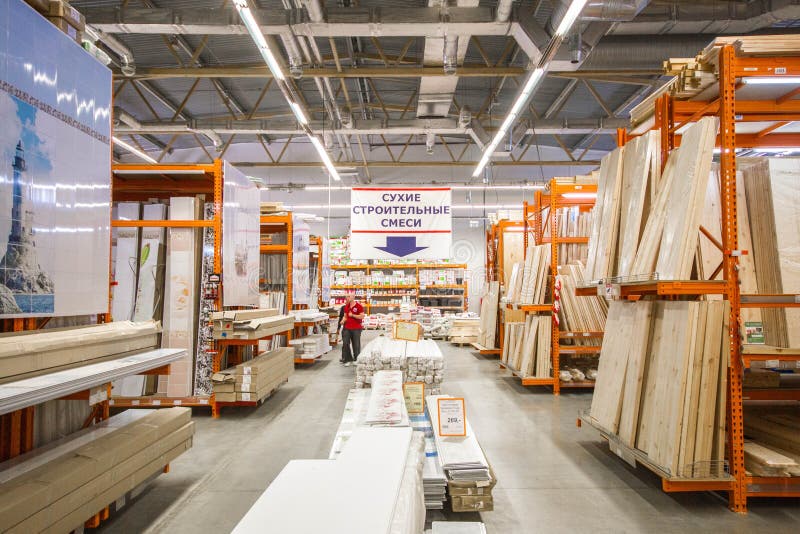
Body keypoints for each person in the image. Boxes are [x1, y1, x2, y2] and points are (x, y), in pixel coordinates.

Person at [341, 292, 365, 367]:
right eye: (346, 296)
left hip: (356, 329)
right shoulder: (346, 306)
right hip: (347, 328)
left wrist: (353, 315)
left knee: (356, 344)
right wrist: (343, 320)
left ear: (353, 297)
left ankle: (356, 359)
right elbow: (345, 316)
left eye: (348, 296)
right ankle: (348, 359)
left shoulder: (359, 306)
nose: (346, 298)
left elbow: (362, 316)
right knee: (345, 343)